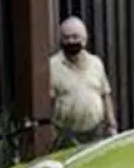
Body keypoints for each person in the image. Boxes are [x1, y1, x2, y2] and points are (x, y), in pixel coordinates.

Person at [50, 16, 118, 148]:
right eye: (66, 37)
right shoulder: (52, 66)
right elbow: (48, 102)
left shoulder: (96, 63)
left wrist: (111, 124)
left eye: (75, 37)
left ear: (84, 40)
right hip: (66, 135)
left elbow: (105, 94)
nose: (70, 41)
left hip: (96, 132)